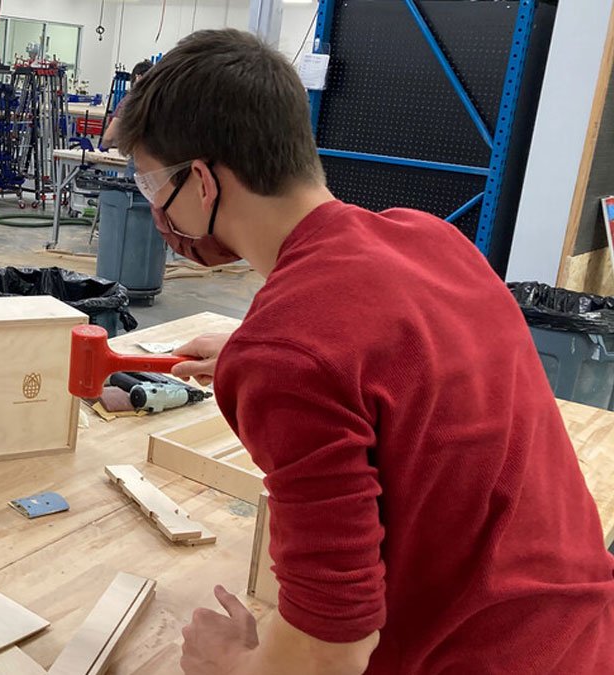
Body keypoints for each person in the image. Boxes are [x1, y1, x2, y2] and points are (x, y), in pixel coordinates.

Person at [117, 29, 614, 674]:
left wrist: (228, 664)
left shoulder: (290, 351)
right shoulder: (429, 237)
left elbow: (331, 652)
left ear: (205, 182)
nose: (156, 208)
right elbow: (384, 348)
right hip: (581, 636)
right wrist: (254, 352)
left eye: (156, 185)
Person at [100, 59, 152, 150]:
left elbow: (109, 137)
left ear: (137, 77)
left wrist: (102, 148)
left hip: (135, 155)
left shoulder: (130, 101)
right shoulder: (161, 101)